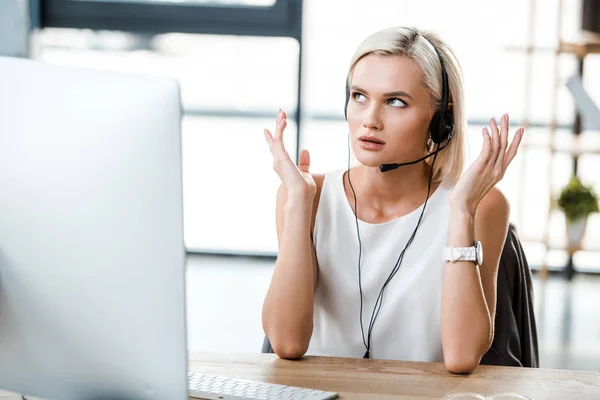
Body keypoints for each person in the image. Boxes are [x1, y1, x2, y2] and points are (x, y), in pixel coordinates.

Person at [261, 26, 524, 374]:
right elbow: (287, 342)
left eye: (395, 101)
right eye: (359, 96)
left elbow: (462, 357)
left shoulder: (481, 206)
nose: (370, 120)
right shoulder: (306, 195)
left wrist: (460, 212)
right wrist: (297, 202)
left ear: (441, 122)